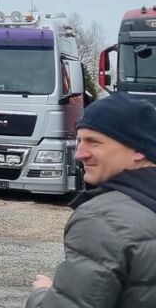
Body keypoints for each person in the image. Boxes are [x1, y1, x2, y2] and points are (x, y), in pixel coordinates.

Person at [26, 92, 156, 308]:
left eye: (93, 142)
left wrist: (42, 295)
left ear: (138, 150)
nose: (79, 154)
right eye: (78, 141)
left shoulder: (102, 220)